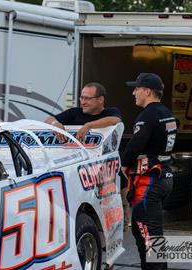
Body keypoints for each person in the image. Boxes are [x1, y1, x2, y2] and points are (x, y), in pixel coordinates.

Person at [121, 73, 177, 270]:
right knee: (143, 231)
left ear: (147, 91)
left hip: (150, 180)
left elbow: (135, 146)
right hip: (164, 176)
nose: (134, 92)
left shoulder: (148, 115)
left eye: (137, 88)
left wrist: (124, 164)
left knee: (148, 236)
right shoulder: (166, 112)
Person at [45, 82, 122, 142]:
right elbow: (48, 119)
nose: (83, 102)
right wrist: (55, 124)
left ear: (100, 99)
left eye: (87, 98)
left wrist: (88, 126)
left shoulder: (111, 111)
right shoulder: (74, 112)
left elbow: (115, 120)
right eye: (81, 98)